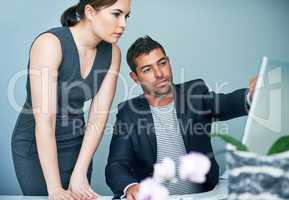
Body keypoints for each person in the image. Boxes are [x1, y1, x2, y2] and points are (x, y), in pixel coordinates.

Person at [105, 36, 257, 199]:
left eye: (162, 63)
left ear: (169, 62)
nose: (159, 74)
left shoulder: (195, 93)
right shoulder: (128, 112)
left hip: (205, 195)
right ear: (135, 77)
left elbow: (226, 103)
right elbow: (117, 164)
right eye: (147, 69)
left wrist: (252, 96)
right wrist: (130, 186)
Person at [11, 0, 131, 199]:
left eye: (126, 16)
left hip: (77, 146)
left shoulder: (113, 53)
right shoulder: (50, 43)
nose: (123, 24)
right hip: (35, 144)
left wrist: (80, 171)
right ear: (90, 12)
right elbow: (45, 122)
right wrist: (55, 188)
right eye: (116, 14)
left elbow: (97, 118)